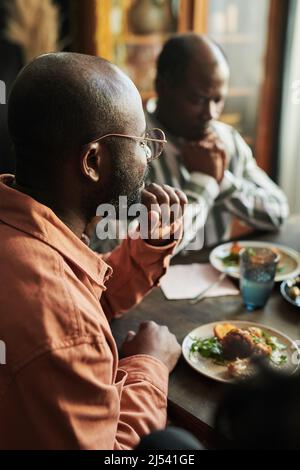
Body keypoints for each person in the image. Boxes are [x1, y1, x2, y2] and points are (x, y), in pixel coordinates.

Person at [0, 52, 188, 450]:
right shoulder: (66, 326)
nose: (148, 154)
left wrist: (149, 246)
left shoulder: (22, 230)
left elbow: (79, 290)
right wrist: (147, 366)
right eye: (140, 141)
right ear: (92, 161)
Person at [146, 33, 289, 250]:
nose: (211, 114)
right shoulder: (134, 148)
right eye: (198, 100)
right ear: (162, 86)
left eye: (218, 100)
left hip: (215, 276)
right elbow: (145, 245)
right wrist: (204, 182)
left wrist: (223, 180)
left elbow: (278, 210)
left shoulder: (226, 140)